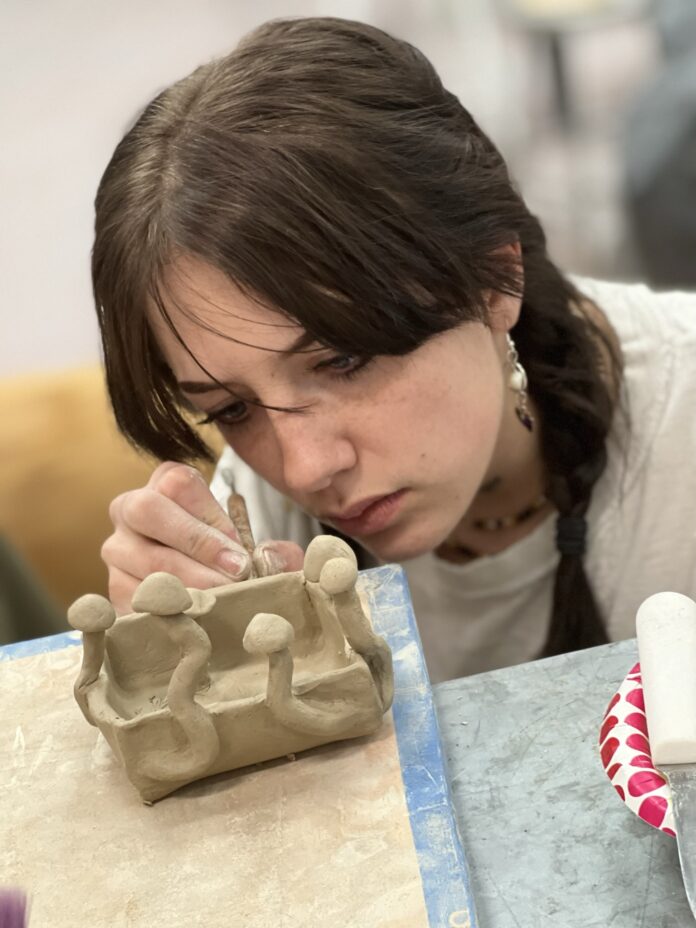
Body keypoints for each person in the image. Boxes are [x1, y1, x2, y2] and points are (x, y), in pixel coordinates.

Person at [94, 17, 696, 683]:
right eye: (232, 410)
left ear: (497, 280)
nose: (304, 470)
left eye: (342, 361)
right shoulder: (261, 525)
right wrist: (182, 660)